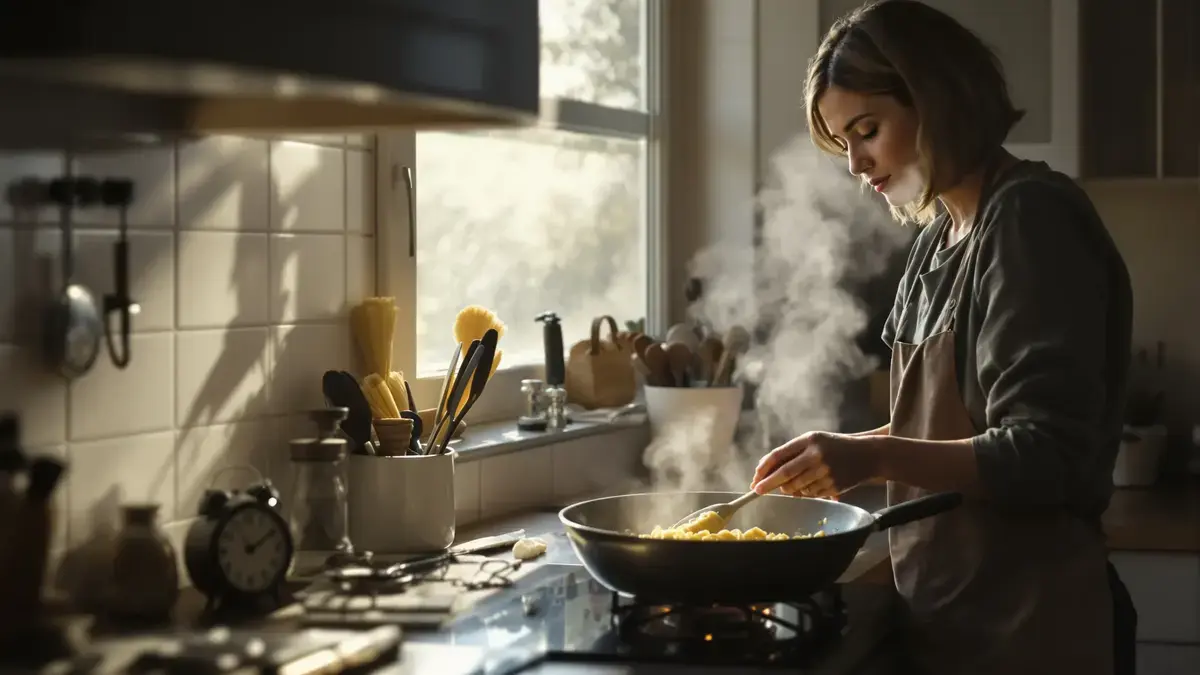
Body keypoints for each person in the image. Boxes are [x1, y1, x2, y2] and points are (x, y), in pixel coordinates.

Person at [747, 2, 1137, 674]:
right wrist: (828, 455)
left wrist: (868, 458)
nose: (855, 165)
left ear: (937, 99)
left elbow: (1044, 453)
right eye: (843, 144)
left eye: (866, 130)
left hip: (1035, 628)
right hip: (948, 622)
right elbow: (930, 433)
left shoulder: (1029, 218)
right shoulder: (934, 245)